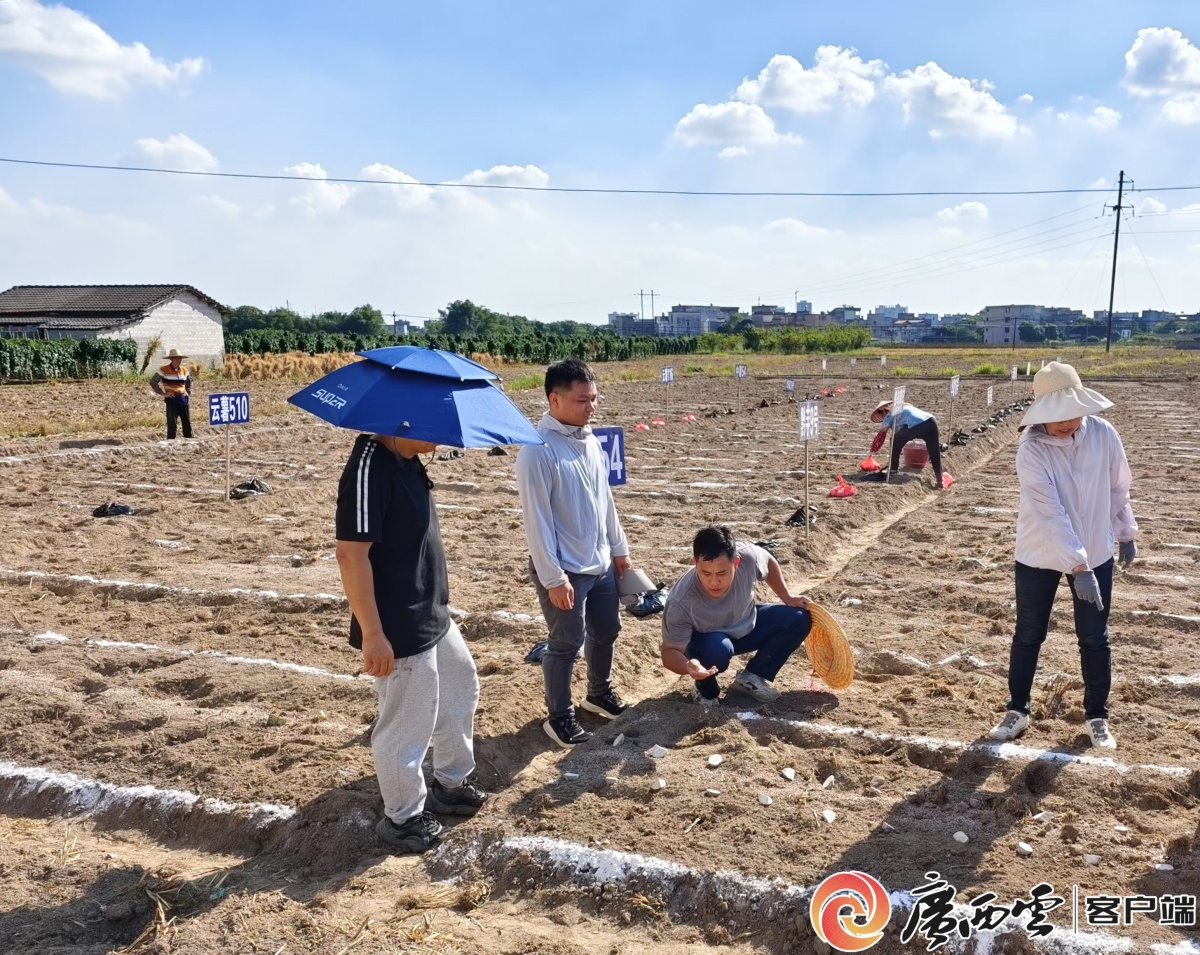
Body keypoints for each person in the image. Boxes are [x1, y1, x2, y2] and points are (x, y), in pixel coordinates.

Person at [335, 431, 486, 854]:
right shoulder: (369, 467)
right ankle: (402, 818)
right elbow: (350, 554)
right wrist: (373, 633)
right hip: (396, 620)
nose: (442, 433)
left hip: (430, 609)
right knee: (407, 720)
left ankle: (450, 785)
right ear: (402, 421)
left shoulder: (409, 458)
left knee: (460, 684)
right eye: (432, 422)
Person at [989, 361, 1137, 750]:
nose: (1066, 424)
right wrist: (1079, 566)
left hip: (1097, 551)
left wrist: (1124, 532)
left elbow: (1118, 486)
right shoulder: (1031, 450)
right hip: (1039, 554)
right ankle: (1017, 710)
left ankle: (1097, 716)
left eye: (1071, 415)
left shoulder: (1104, 434)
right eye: (1057, 417)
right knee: (1028, 633)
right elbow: (1050, 514)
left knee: (1094, 637)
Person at [516, 358, 632, 748]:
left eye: (594, 399)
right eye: (583, 400)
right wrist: (553, 578)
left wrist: (619, 550)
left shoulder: (590, 441)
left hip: (599, 562)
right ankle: (559, 716)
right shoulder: (537, 451)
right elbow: (537, 522)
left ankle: (598, 693)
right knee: (565, 644)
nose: (591, 407)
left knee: (608, 631)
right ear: (555, 399)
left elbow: (605, 500)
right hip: (565, 569)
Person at [661, 524, 811, 707]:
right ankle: (704, 689)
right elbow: (669, 651)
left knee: (798, 617)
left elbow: (769, 561)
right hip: (709, 644)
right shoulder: (680, 599)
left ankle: (752, 676)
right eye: (705, 573)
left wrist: (787, 597)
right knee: (717, 652)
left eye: (722, 573)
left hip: (746, 625)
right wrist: (688, 666)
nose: (714, 582)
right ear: (695, 563)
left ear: (736, 563)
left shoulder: (748, 556)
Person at [870, 400, 944, 489]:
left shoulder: (890, 413)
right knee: (934, 451)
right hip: (931, 421)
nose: (883, 417)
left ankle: (893, 469)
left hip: (914, 426)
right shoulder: (906, 407)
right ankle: (940, 481)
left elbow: (882, 432)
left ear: (883, 411)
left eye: (882, 414)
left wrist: (874, 448)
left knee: (894, 441)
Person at [149, 348, 193, 439]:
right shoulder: (164, 370)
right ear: (171, 359)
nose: (178, 360)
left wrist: (187, 391)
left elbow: (189, 381)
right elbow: (153, 381)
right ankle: (170, 444)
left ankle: (189, 442)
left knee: (187, 423)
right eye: (176, 358)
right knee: (172, 424)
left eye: (180, 358)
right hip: (172, 400)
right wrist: (162, 393)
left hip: (183, 400)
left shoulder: (184, 370)